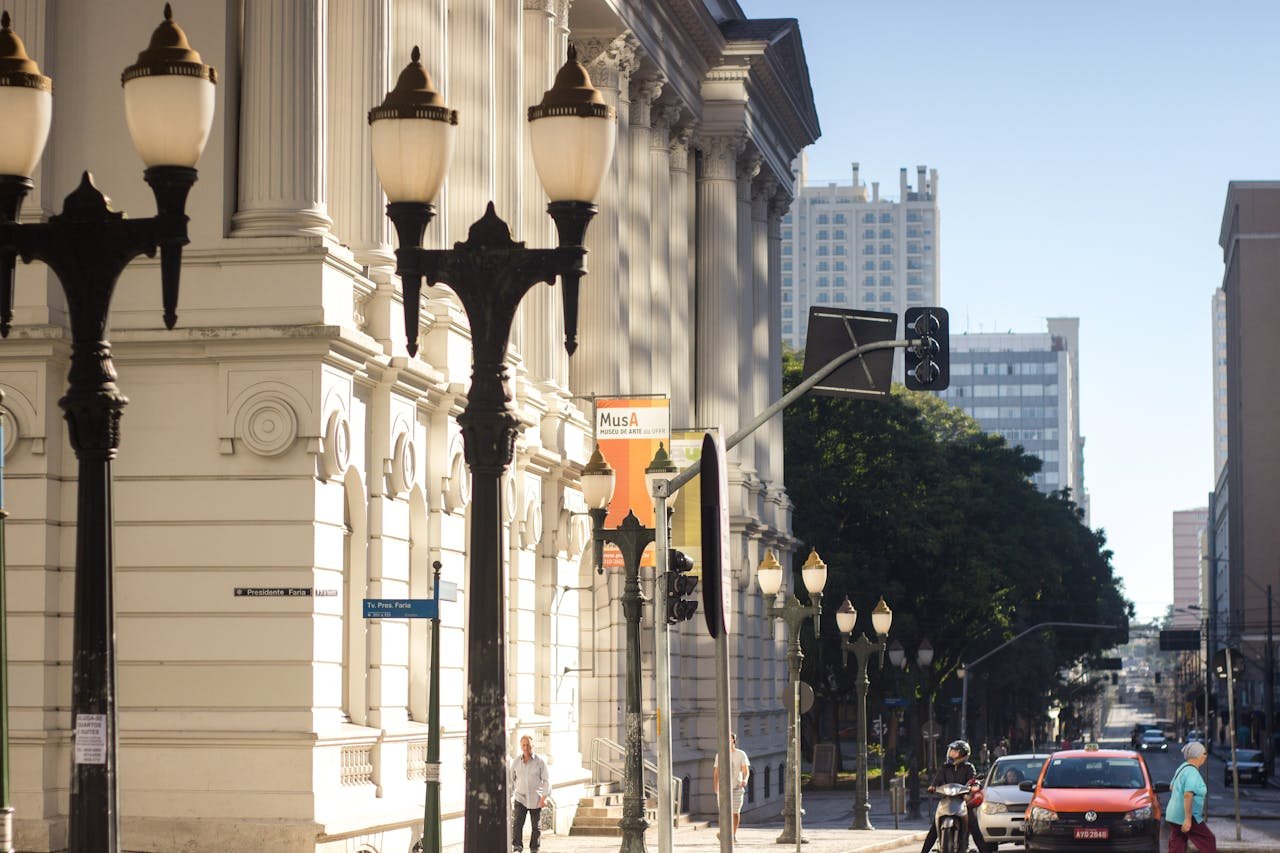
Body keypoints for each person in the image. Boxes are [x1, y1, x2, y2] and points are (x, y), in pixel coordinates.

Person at [919, 740, 989, 853]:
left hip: (963, 801)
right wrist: (932, 786)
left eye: (955, 751)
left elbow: (973, 780)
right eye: (951, 751)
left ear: (963, 754)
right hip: (947, 800)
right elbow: (937, 780)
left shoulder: (968, 767)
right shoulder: (945, 767)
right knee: (933, 830)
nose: (951, 753)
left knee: (974, 827)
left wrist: (974, 786)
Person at [1167, 741, 1216, 853]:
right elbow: (1188, 795)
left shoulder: (1182, 768)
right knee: (1209, 840)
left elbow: (1171, 787)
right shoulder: (1192, 772)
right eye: (1204, 753)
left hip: (1173, 814)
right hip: (1188, 815)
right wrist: (1188, 819)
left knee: (1178, 844)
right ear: (1197, 755)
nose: (1206, 756)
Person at [509, 734, 549, 853]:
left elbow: (546, 780)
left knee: (536, 827)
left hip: (535, 799)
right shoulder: (516, 762)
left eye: (528, 745)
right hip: (520, 798)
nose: (526, 748)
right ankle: (517, 847)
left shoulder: (540, 762)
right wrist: (510, 796)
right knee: (517, 824)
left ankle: (534, 848)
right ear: (521, 746)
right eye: (524, 745)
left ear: (533, 746)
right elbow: (511, 779)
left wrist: (544, 797)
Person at [712, 732, 750, 843]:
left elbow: (745, 770)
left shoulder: (741, 754)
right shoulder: (720, 754)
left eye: (729, 739)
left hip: (737, 788)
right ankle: (724, 834)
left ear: (733, 740)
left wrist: (745, 779)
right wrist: (715, 786)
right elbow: (716, 772)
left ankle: (733, 835)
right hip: (723, 789)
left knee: (735, 812)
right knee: (723, 812)